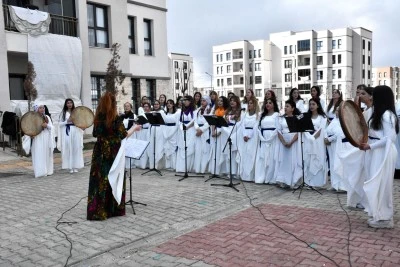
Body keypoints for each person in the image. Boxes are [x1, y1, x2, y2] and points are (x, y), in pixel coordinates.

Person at [87, 92, 141, 221]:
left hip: (100, 151)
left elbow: (95, 134)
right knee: (114, 177)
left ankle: (98, 211)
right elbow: (123, 135)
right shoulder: (115, 118)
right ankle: (113, 209)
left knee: (100, 179)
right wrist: (134, 128)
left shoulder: (98, 117)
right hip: (113, 152)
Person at [359, 85, 398, 229]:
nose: (372, 97)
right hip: (376, 151)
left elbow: (390, 138)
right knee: (376, 182)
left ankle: (385, 218)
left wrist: (371, 146)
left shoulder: (387, 115)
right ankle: (378, 213)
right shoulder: (378, 113)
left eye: (374, 95)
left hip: (384, 152)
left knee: (383, 184)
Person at [275, 100, 302, 188]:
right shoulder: (281, 119)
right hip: (284, 142)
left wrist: (291, 142)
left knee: (293, 160)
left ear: (292, 108)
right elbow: (279, 131)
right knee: (284, 161)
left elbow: (298, 132)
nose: (285, 108)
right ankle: (284, 180)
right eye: (285, 106)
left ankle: (292, 180)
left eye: (287, 106)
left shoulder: (297, 118)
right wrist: (283, 142)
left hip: (293, 141)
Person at [303, 99, 328, 188]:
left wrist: (313, 138)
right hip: (307, 140)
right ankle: (308, 182)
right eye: (310, 104)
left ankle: (317, 183)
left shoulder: (322, 117)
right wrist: (309, 137)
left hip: (318, 142)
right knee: (308, 160)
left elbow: (321, 130)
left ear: (318, 105)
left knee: (317, 159)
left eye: (313, 104)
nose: (311, 106)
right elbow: (304, 128)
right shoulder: (306, 117)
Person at [254, 98, 279, 184]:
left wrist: (271, 137)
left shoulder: (277, 115)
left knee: (271, 157)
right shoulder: (262, 115)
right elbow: (259, 127)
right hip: (263, 139)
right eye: (266, 103)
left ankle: (271, 177)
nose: (268, 104)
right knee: (263, 157)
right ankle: (263, 176)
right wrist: (262, 137)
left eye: (270, 103)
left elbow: (278, 128)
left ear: (273, 105)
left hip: (272, 139)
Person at [57, 98, 84, 174]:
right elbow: (59, 124)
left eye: (71, 103)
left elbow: (79, 122)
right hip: (68, 132)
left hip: (76, 131)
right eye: (68, 103)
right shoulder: (63, 113)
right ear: (66, 104)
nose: (69, 104)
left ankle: (75, 166)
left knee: (75, 148)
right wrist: (66, 121)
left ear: (73, 104)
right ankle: (70, 166)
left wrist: (82, 127)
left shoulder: (76, 112)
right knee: (69, 148)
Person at [237, 97, 259, 181]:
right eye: (248, 103)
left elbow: (255, 127)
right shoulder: (244, 114)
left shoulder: (257, 115)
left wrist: (249, 136)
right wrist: (244, 135)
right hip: (244, 136)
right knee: (244, 154)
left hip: (252, 137)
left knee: (250, 155)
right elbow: (242, 125)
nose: (249, 105)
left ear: (255, 105)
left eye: (251, 103)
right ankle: (243, 175)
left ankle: (250, 176)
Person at [221, 96, 243, 177]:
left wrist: (233, 132)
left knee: (234, 152)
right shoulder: (227, 111)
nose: (232, 102)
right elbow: (225, 122)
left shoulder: (240, 111)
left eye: (234, 101)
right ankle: (229, 171)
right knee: (228, 152)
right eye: (231, 101)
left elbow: (240, 123)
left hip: (235, 132)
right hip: (227, 131)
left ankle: (234, 172)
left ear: (237, 102)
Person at [31, 103, 54, 178]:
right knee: (39, 153)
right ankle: (40, 171)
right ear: (36, 109)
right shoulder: (33, 118)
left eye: (43, 108)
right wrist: (31, 135)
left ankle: (47, 170)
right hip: (38, 138)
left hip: (46, 137)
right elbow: (29, 128)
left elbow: (52, 128)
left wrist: (47, 126)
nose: (42, 109)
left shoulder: (47, 117)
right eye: (40, 108)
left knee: (46, 153)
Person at [176, 95, 197, 172]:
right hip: (182, 130)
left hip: (191, 130)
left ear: (190, 101)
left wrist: (188, 126)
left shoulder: (195, 111)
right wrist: (182, 127)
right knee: (182, 147)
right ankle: (181, 168)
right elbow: (179, 121)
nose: (184, 102)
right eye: (183, 100)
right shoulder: (182, 111)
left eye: (186, 100)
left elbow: (195, 120)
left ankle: (188, 167)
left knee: (189, 147)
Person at [193, 95, 212, 174]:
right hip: (198, 132)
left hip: (205, 132)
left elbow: (209, 122)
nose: (202, 102)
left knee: (204, 151)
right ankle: (197, 169)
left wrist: (202, 130)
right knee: (198, 150)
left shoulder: (210, 110)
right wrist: (197, 128)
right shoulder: (198, 110)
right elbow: (195, 121)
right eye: (201, 100)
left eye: (204, 100)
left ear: (207, 101)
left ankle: (203, 169)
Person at [162, 99, 179, 170]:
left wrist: (171, 134)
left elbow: (177, 124)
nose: (169, 105)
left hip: (173, 132)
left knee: (173, 148)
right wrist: (165, 134)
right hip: (166, 132)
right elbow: (163, 124)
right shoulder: (165, 114)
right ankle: (168, 165)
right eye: (167, 103)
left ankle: (174, 166)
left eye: (170, 103)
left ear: (173, 105)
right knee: (167, 148)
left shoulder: (177, 113)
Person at [135, 102, 151, 169]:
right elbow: (136, 121)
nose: (146, 107)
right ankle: (143, 164)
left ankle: (149, 164)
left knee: (149, 148)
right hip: (143, 131)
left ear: (149, 107)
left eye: (147, 106)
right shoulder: (141, 114)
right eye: (144, 106)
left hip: (150, 131)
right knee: (143, 147)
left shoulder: (151, 114)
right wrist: (138, 122)